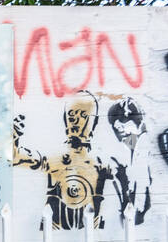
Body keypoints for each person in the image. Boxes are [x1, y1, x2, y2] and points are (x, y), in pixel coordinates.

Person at [13, 91, 114, 231]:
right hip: (54, 233)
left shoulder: (102, 164)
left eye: (83, 115)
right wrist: (14, 138)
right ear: (65, 119)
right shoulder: (54, 159)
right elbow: (16, 158)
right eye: (71, 115)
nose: (76, 121)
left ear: (94, 121)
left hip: (93, 234)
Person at [107, 97, 151, 227]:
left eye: (122, 126)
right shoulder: (121, 152)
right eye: (117, 127)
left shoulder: (141, 147)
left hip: (136, 211)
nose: (119, 131)